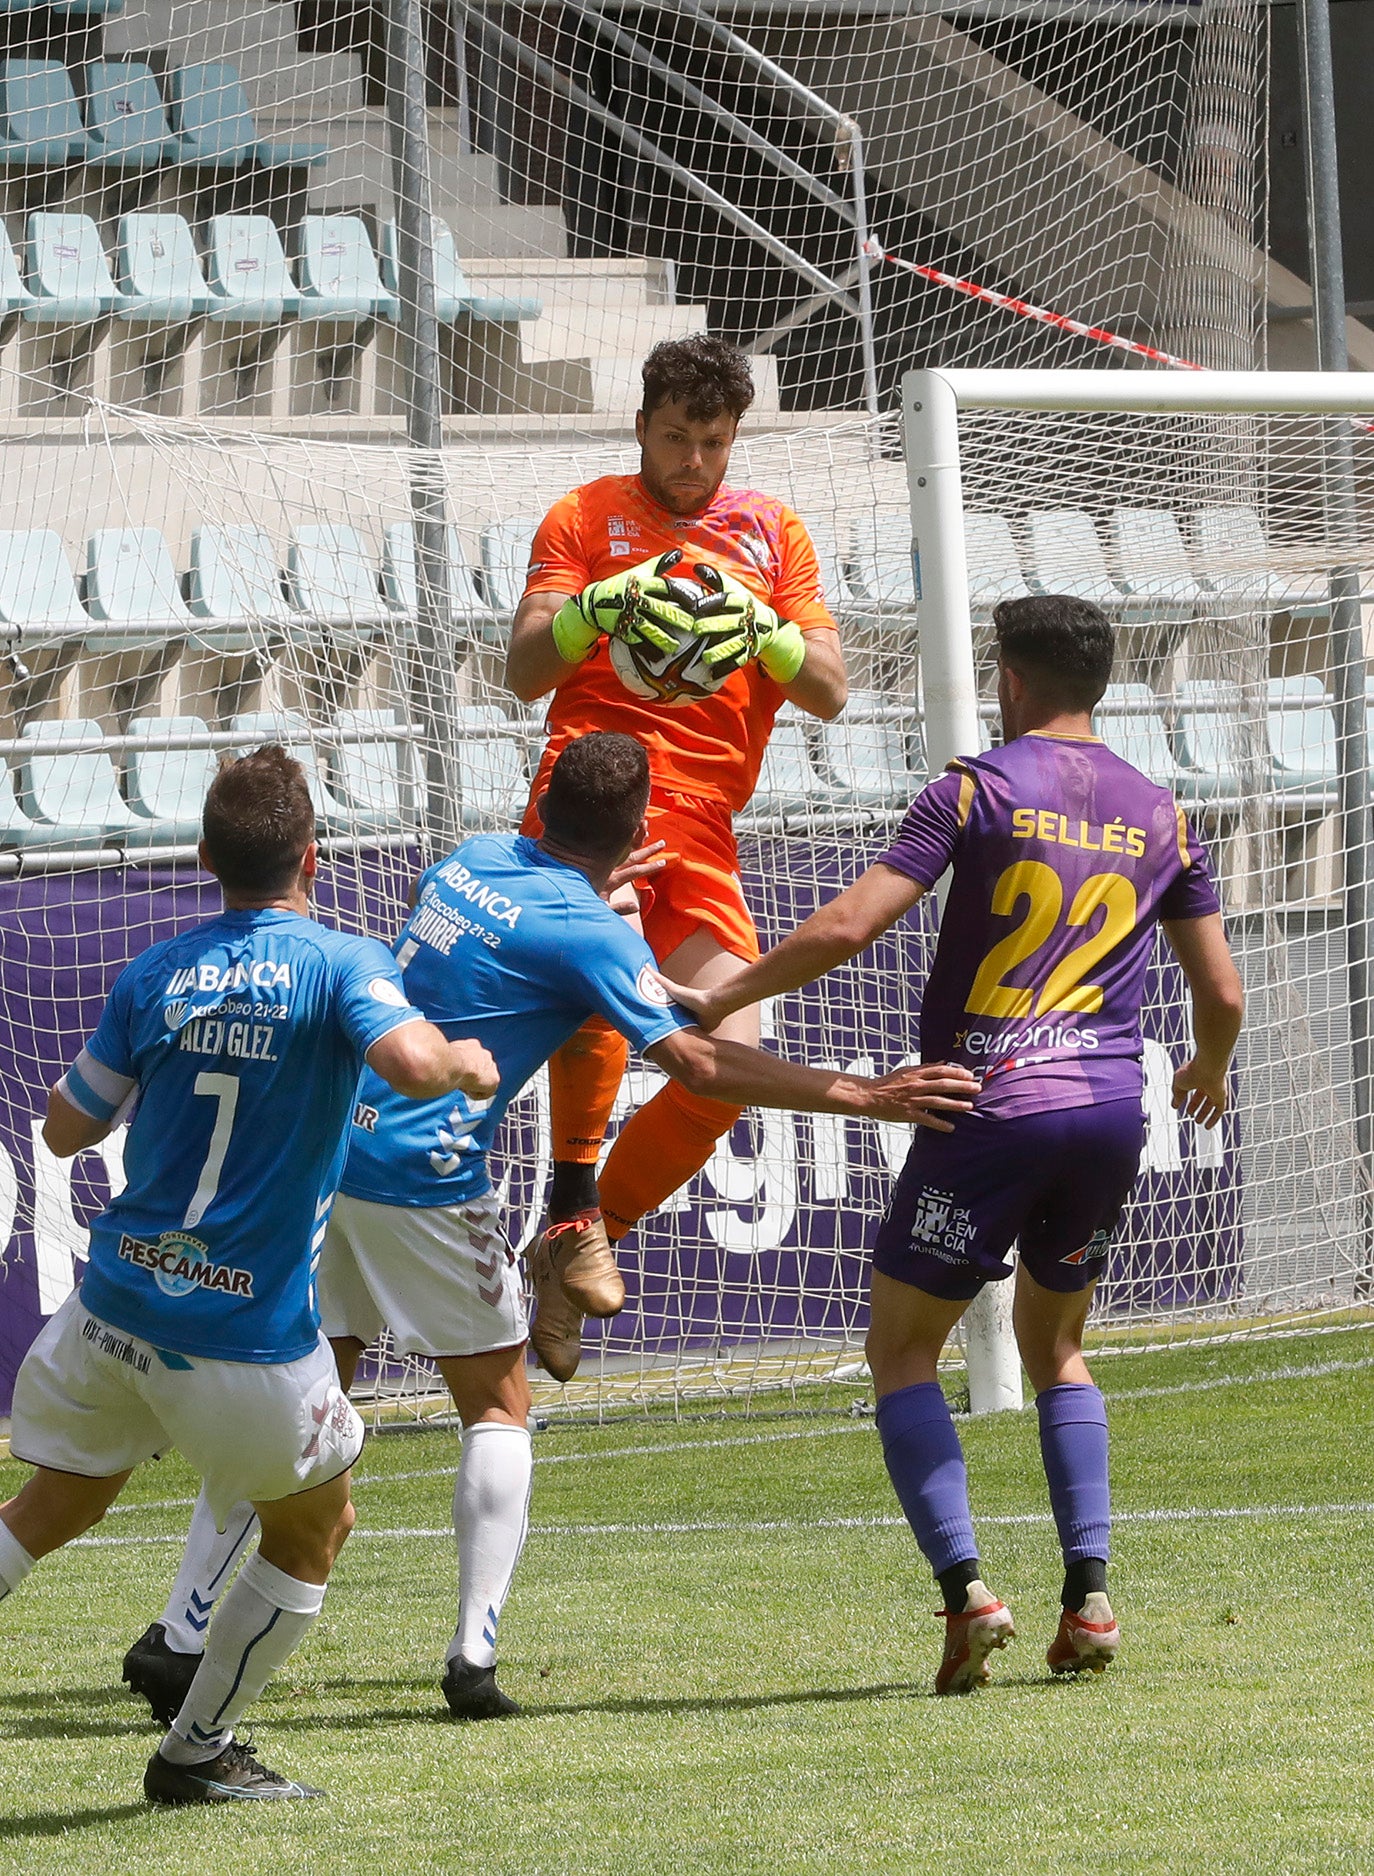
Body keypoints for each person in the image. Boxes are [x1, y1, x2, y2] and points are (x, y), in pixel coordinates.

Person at [121, 731, 979, 1729]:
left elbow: (499, 958)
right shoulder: (591, 934)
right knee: (498, 1401)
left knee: (305, 1397)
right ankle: (472, 1657)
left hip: (331, 1150)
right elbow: (701, 1066)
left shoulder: (465, 862)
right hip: (428, 1172)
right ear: (640, 828)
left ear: (543, 807)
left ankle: (178, 1634)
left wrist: (598, 912)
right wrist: (871, 1093)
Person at [664, 596, 1245, 1694]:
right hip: (1113, 1113)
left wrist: (726, 992)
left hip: (989, 1101)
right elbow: (1220, 988)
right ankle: (1091, 1597)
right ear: (1102, 686)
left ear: (1011, 683)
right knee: (1058, 1347)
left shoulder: (974, 788)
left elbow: (848, 925)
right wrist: (1206, 1069)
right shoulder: (1164, 814)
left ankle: (969, 1590)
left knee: (901, 1352)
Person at [0, 747, 498, 1805]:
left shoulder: (157, 969)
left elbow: (62, 1127)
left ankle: (198, 1737)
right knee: (316, 1526)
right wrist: (465, 1060)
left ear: (203, 858)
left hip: (112, 1305)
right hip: (240, 1338)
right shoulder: (336, 959)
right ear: (311, 856)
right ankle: (196, 1754)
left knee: (51, 1505)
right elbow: (411, 1064)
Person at [505, 333, 849, 1376]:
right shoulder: (584, 515)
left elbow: (831, 689)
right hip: (584, 802)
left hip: (698, 823)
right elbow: (521, 669)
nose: (693, 460)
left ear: (734, 434)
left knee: (729, 1058)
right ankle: (562, 1202)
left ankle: (576, 1231)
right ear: (640, 429)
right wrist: (596, 612)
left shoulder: (771, 532)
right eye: (674, 438)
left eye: (712, 440)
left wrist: (768, 634)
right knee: (582, 996)